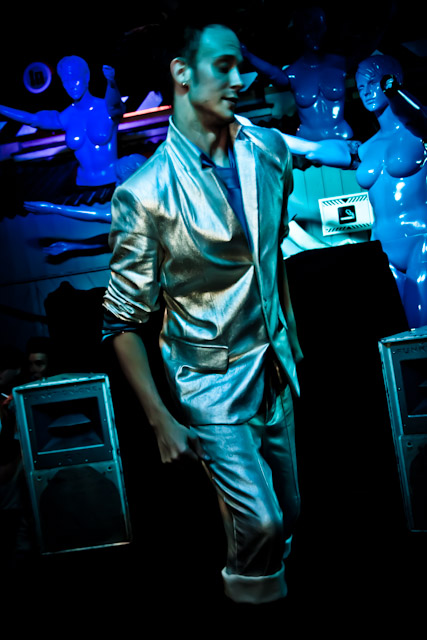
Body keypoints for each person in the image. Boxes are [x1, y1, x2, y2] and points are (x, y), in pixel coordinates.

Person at [102, 22, 303, 609]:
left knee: (288, 518)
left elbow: (269, 257)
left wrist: (290, 335)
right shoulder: (144, 193)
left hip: (275, 373)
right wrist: (160, 419)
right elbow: (121, 323)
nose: (241, 80)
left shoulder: (269, 151)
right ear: (182, 73)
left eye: (243, 66)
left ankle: (260, 590)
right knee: (262, 522)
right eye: (224, 66)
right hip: (208, 381)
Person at [305, 54, 427, 329]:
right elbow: (312, 150)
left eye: (373, 83)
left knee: (419, 324)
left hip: (421, 240)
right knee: (393, 331)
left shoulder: (419, 130)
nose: (367, 92)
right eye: (361, 87)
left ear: (393, 80)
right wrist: (269, 136)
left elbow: (417, 115)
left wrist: (393, 91)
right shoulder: (366, 148)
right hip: (381, 247)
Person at [241, 7, 354, 141]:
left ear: (325, 29)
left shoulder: (340, 63)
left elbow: (368, 47)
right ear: (299, 33)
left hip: (343, 139)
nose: (314, 35)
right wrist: (248, 55)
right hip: (309, 145)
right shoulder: (292, 74)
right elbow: (273, 74)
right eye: (308, 30)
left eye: (318, 28)